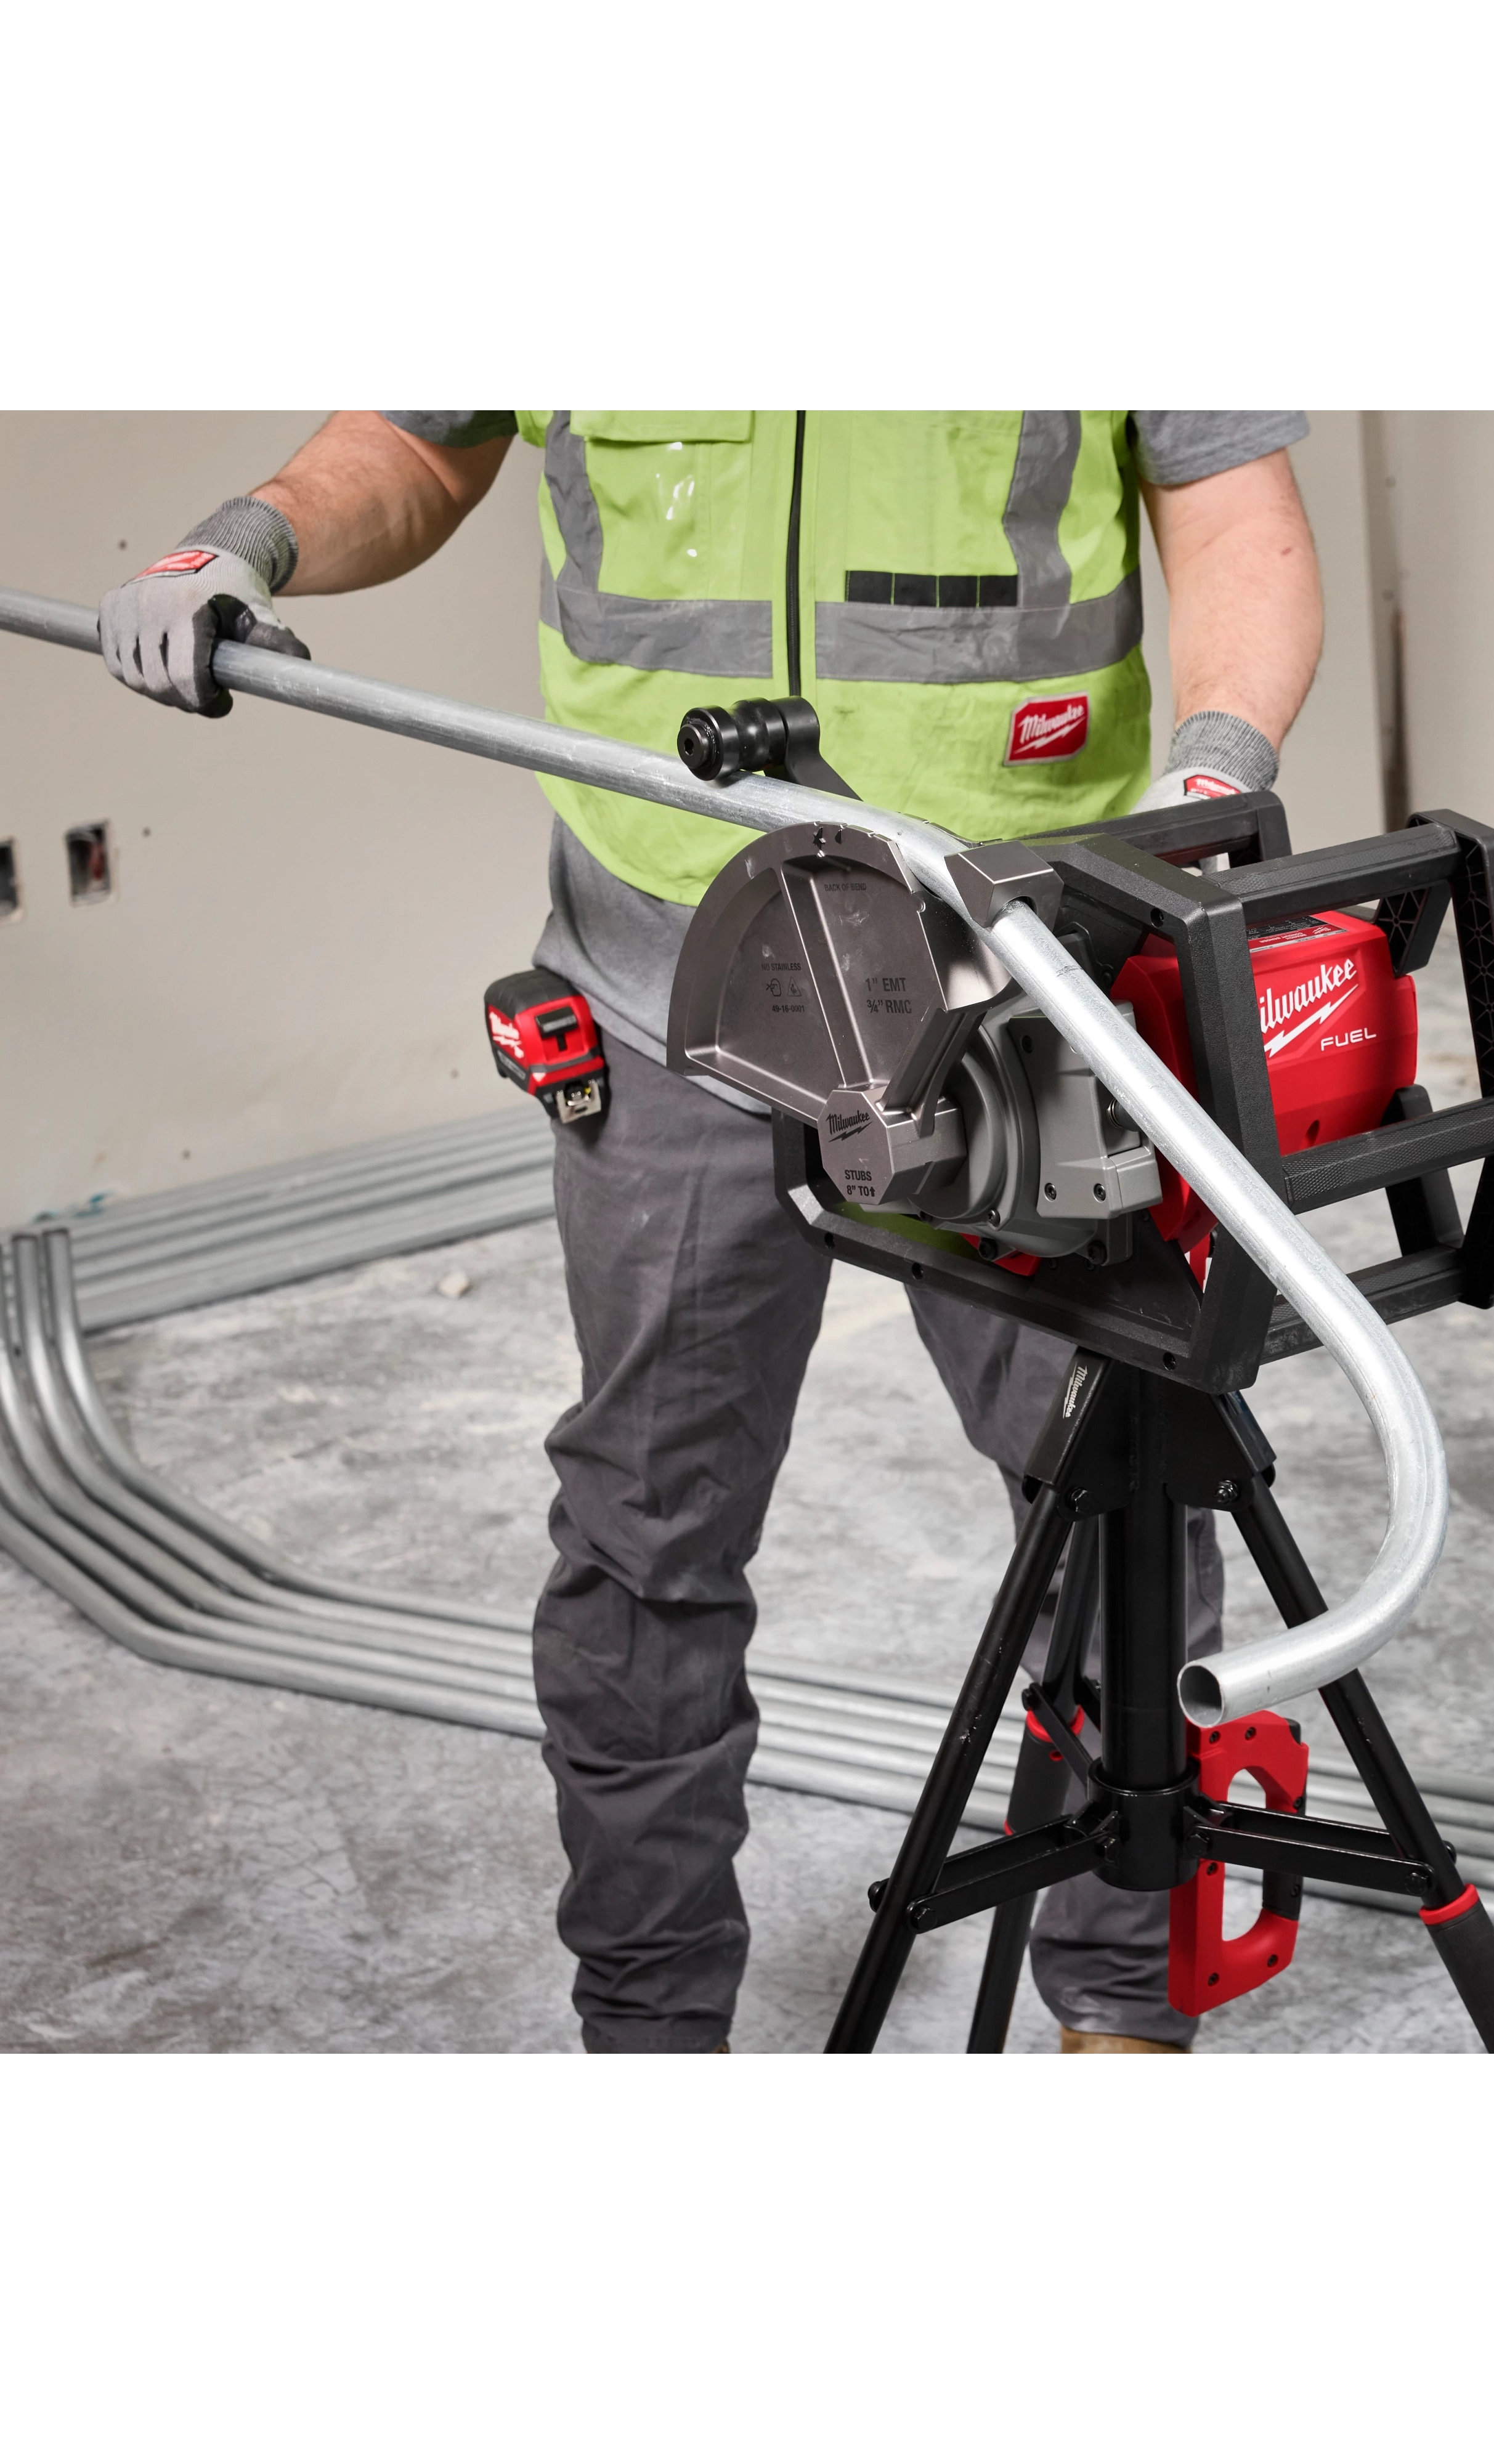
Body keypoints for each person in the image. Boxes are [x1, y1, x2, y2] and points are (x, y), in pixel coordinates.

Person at [99, 409, 1324, 2054]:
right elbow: (418, 442)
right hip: (667, 969)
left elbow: (1233, 508)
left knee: (1118, 1483)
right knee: (645, 1537)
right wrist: (249, 535)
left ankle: (1117, 2003)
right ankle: (654, 2022)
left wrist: (1211, 774)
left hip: (1016, 970)